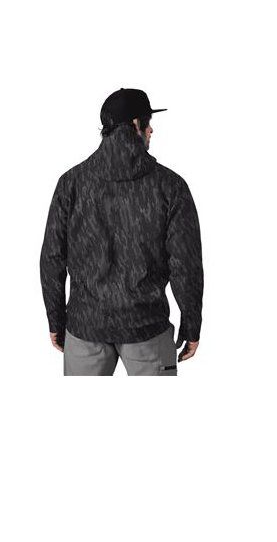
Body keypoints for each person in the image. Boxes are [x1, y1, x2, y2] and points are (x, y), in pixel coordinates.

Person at [39, 88, 204, 376]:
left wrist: (56, 320)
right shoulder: (171, 186)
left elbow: (52, 258)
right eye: (148, 122)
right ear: (135, 125)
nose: (151, 130)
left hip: (86, 328)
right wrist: (191, 325)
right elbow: (185, 265)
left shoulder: (71, 184)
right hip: (147, 329)